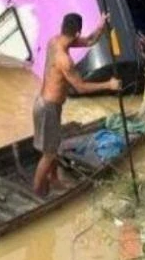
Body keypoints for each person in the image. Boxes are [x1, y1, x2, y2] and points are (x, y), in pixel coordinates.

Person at [33, 12, 121, 196]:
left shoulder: (55, 40)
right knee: (49, 154)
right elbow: (80, 88)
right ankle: (38, 192)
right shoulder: (65, 60)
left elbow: (89, 41)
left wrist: (100, 26)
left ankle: (54, 180)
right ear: (77, 32)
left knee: (53, 146)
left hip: (48, 105)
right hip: (47, 108)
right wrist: (109, 85)